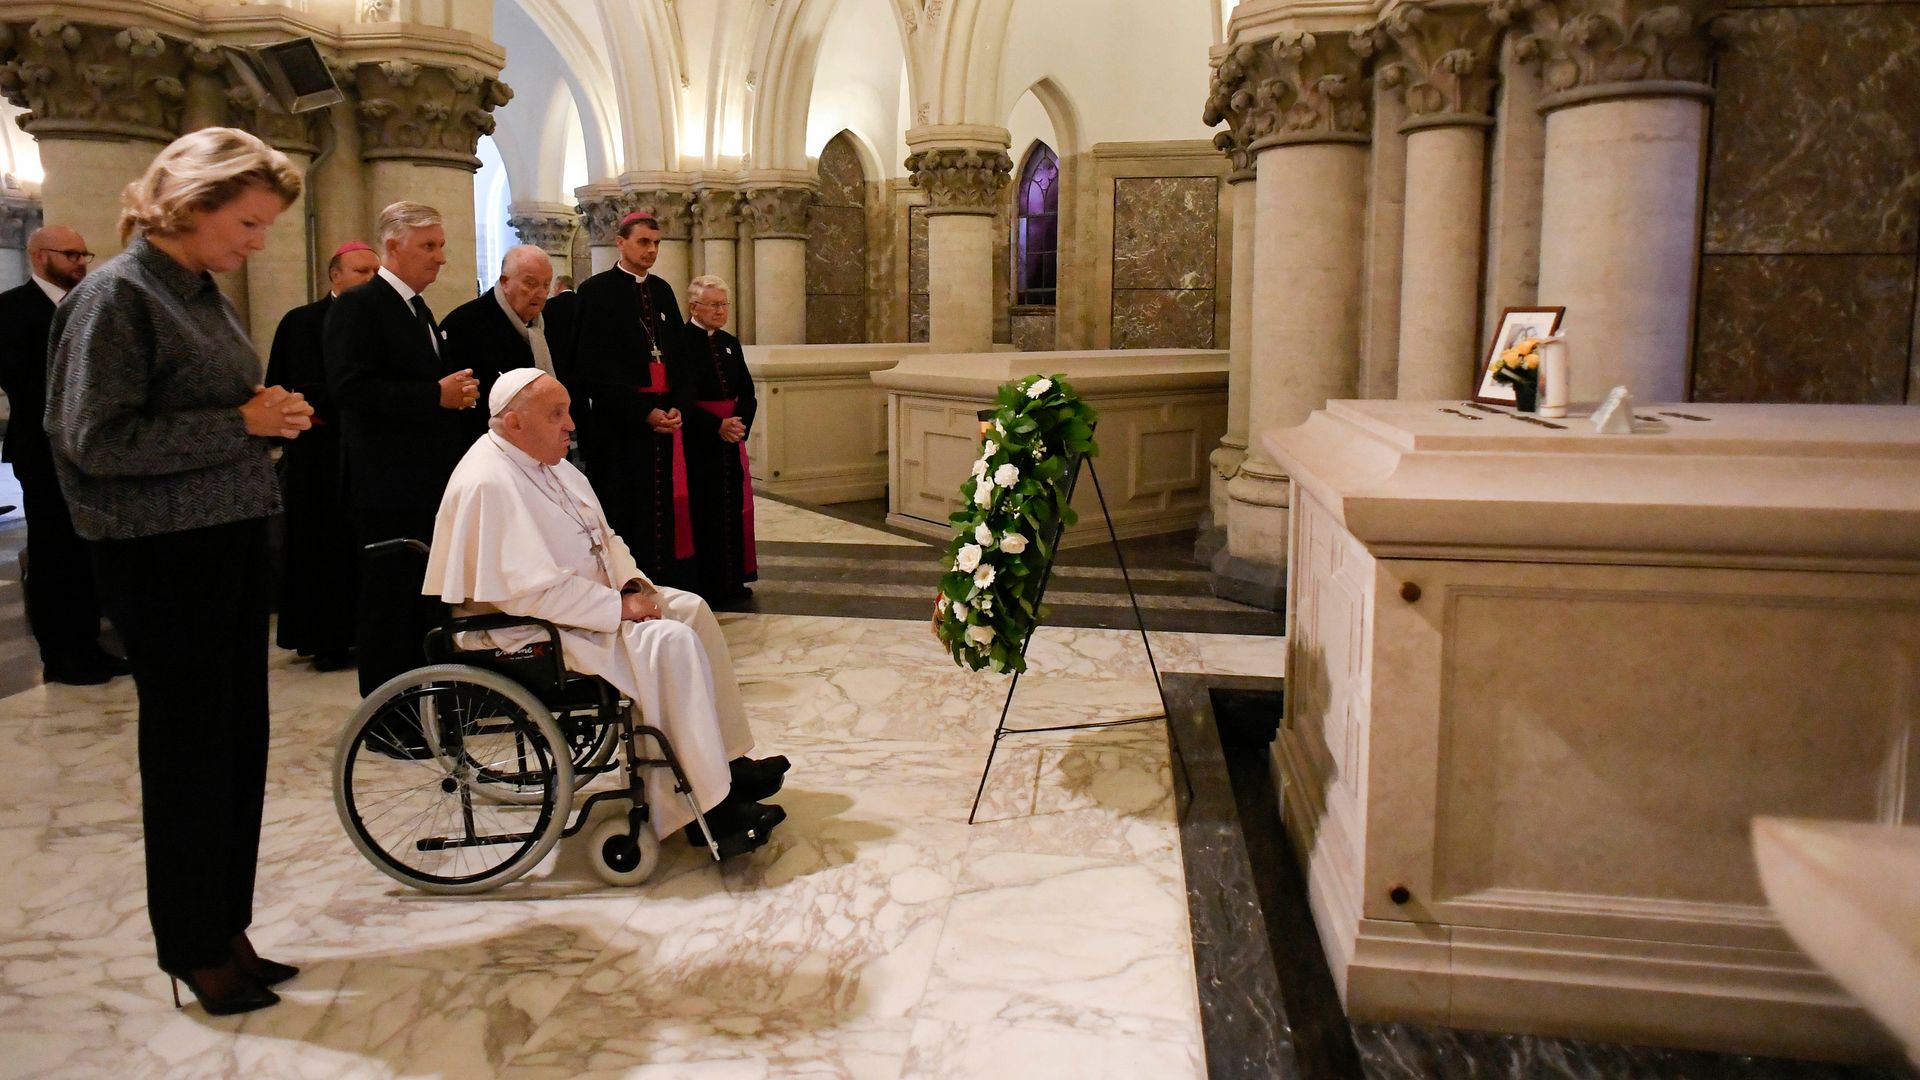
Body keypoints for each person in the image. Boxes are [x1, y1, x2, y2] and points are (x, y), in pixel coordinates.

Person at [46, 127, 314, 1016]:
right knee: (192, 753)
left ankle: (224, 923)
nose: (257, 243)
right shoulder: (117, 296)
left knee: (238, 746)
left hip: (224, 541)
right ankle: (192, 944)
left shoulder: (195, 290)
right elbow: (92, 442)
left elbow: (219, 407)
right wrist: (244, 425)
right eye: (247, 222)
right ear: (191, 207)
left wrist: (264, 417)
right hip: (163, 559)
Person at [424, 368, 788, 854]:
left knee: (691, 609)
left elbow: (606, 538)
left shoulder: (551, 463)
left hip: (580, 606)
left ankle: (725, 762)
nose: (570, 425)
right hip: (526, 628)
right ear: (513, 422)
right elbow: (525, 593)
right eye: (557, 415)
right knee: (668, 640)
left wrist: (634, 585)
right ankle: (707, 809)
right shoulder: (489, 481)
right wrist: (618, 608)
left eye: (568, 411)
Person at [323, 201, 481, 697]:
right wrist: (436, 394)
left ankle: (428, 700)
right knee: (389, 602)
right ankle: (389, 713)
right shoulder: (360, 305)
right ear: (393, 247)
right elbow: (350, 389)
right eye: (428, 246)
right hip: (387, 485)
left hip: (426, 480)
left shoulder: (416, 308)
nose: (440, 258)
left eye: (441, 245)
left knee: (422, 600)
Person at [0, 225, 128, 684]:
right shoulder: (11, 310)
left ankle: (89, 644)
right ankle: (60, 654)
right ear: (39, 257)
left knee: (86, 551)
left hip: (94, 449)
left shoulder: (92, 305)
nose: (80, 262)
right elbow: (24, 381)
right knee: (54, 553)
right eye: (70, 254)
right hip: (44, 446)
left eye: (84, 253)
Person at [556, 210, 696, 589]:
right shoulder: (596, 292)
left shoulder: (663, 291)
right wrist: (642, 412)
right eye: (643, 242)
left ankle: (667, 580)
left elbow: (680, 358)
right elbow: (590, 368)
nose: (651, 250)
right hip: (620, 430)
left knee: (665, 507)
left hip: (664, 422)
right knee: (626, 509)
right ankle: (627, 585)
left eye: (656, 243)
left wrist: (678, 405)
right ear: (620, 242)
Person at [264, 240, 380, 671]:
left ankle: (359, 634)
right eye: (360, 271)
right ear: (335, 276)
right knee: (320, 548)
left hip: (366, 453)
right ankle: (325, 638)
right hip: (319, 456)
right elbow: (280, 383)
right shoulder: (300, 323)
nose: (370, 278)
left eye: (374, 271)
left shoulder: (380, 320)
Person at [674, 275, 757, 602]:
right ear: (694, 306)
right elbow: (681, 396)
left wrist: (739, 425)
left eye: (724, 304)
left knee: (732, 508)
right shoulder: (679, 342)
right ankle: (706, 583)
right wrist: (716, 426)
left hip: (730, 441)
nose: (722, 311)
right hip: (698, 442)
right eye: (714, 304)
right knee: (703, 511)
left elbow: (747, 392)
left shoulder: (729, 342)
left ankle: (732, 579)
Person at [440, 244, 556, 408]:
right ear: (505, 282)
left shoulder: (551, 322)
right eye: (530, 283)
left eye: (546, 285)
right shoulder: (465, 325)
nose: (541, 293)